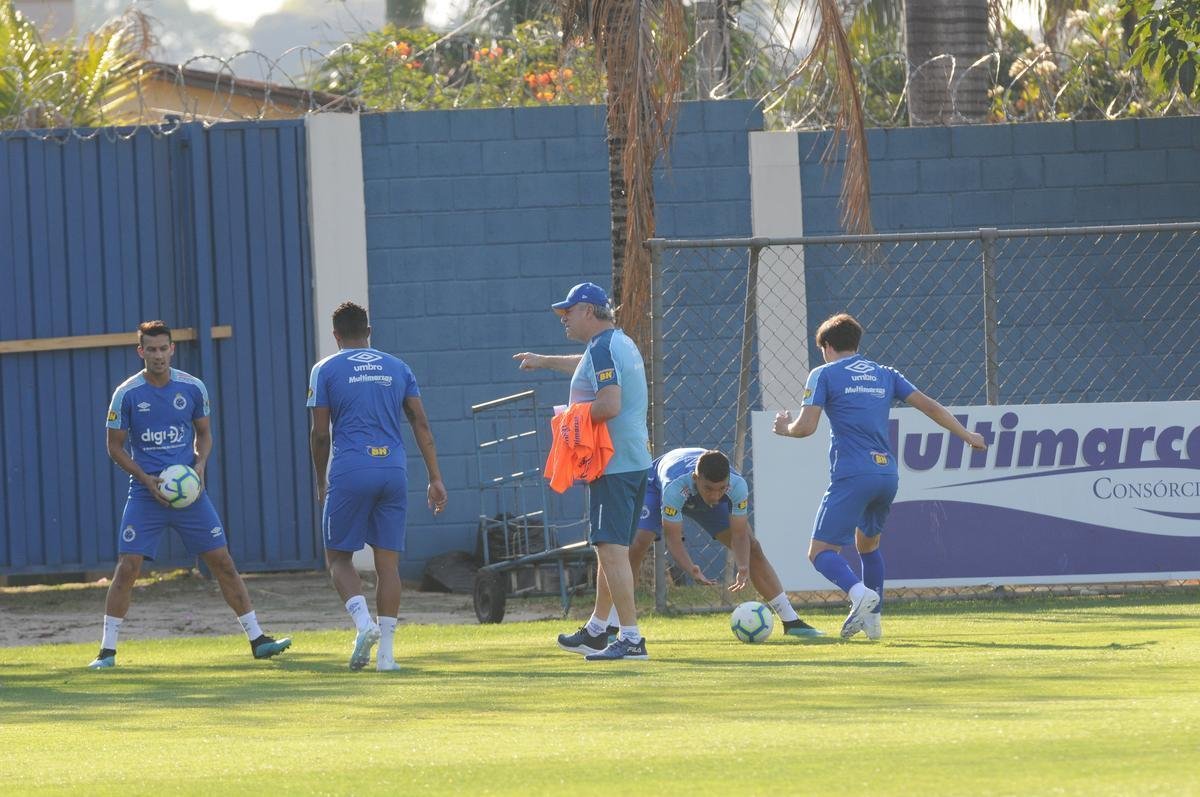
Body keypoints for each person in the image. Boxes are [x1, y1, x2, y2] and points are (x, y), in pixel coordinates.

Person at [89, 321, 291, 669]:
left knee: (223, 563)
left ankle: (258, 640)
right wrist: (145, 478)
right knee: (127, 568)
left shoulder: (193, 388)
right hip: (145, 494)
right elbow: (114, 447)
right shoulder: (127, 394)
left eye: (163, 348)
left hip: (190, 495)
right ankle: (106, 652)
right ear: (141, 352)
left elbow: (205, 434)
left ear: (172, 349)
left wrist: (199, 467)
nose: (157, 355)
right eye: (150, 349)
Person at [773, 313, 986, 640]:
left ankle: (859, 595)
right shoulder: (885, 374)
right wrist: (966, 435)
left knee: (819, 553)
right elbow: (930, 407)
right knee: (868, 546)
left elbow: (805, 428)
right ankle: (873, 623)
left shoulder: (824, 374)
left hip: (853, 473)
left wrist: (783, 428)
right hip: (886, 473)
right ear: (856, 343)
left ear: (827, 347)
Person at [513, 282, 651, 661]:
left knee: (610, 549)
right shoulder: (615, 343)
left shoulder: (605, 348)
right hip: (631, 460)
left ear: (588, 310)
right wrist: (543, 360)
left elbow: (608, 405)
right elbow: (588, 367)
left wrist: (570, 419)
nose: (564, 320)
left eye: (568, 312)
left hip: (614, 464)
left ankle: (631, 638)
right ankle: (596, 630)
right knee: (610, 549)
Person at [308, 302, 447, 672]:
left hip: (351, 468)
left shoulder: (325, 369)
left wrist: (320, 479)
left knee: (338, 557)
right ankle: (386, 655)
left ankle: (362, 623)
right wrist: (435, 477)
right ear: (369, 332)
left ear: (336, 335)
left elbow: (321, 433)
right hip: (393, 469)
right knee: (389, 566)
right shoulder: (398, 367)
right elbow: (420, 422)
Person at [625, 447, 823, 638]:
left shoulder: (737, 485)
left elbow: (739, 536)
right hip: (657, 487)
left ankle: (792, 622)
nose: (715, 495)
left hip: (695, 494)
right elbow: (674, 539)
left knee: (753, 547)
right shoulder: (675, 487)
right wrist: (691, 569)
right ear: (696, 479)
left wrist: (743, 565)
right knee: (637, 544)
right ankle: (618, 625)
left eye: (721, 489)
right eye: (709, 488)